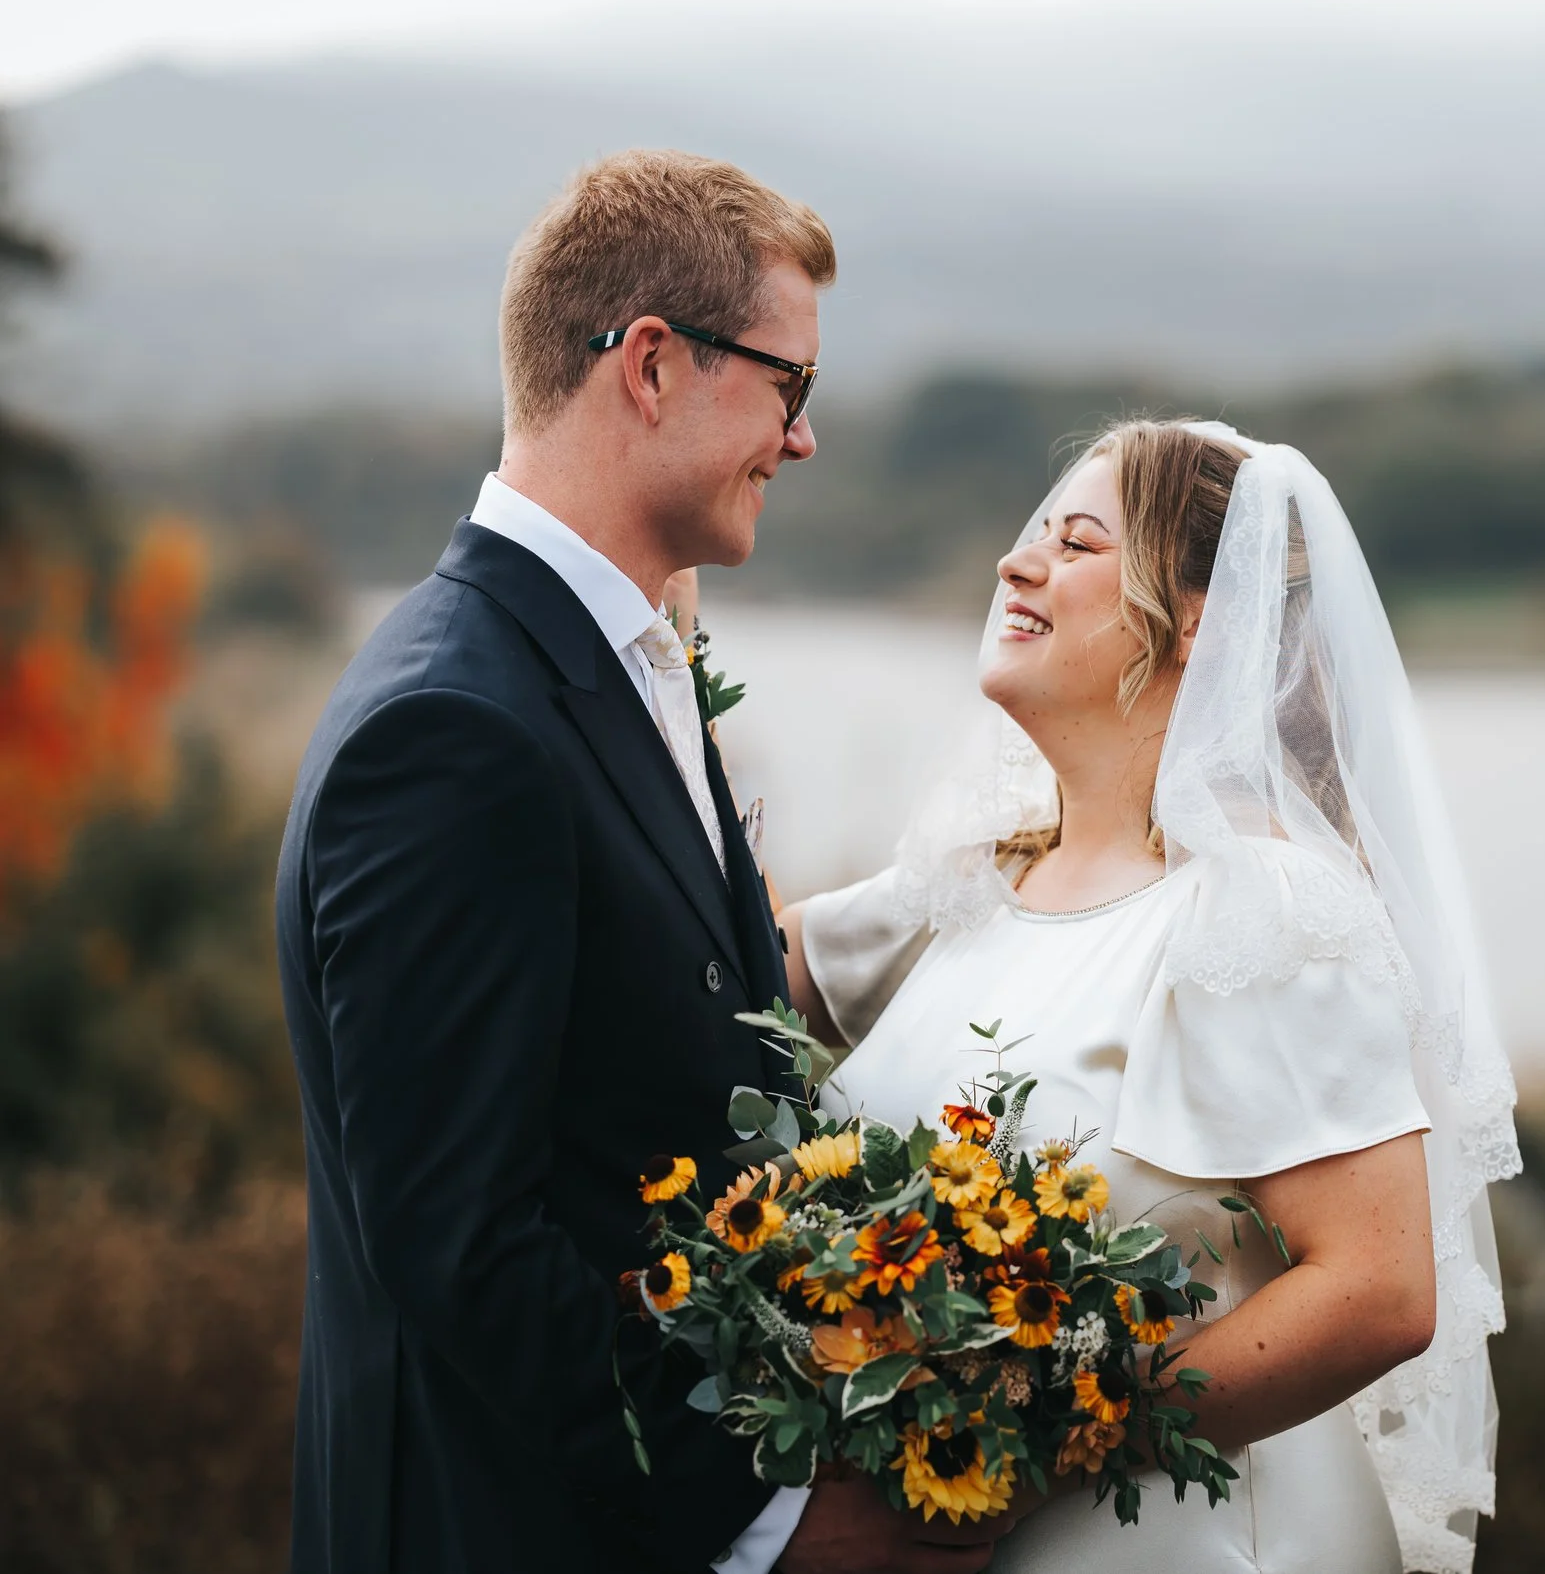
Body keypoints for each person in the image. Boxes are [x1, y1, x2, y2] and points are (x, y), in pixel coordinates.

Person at [276, 149, 1013, 1573]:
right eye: (789, 385)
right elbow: (459, 1242)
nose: (802, 441)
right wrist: (770, 1510)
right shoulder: (454, 726)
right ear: (655, 366)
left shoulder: (613, 661)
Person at [784, 419, 1520, 1573]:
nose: (1013, 565)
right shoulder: (977, 873)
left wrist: (1011, 1464)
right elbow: (715, 964)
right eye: (1033, 537)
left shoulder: (1262, 909)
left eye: (1075, 544)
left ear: (1199, 619)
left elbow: (1377, 1290)